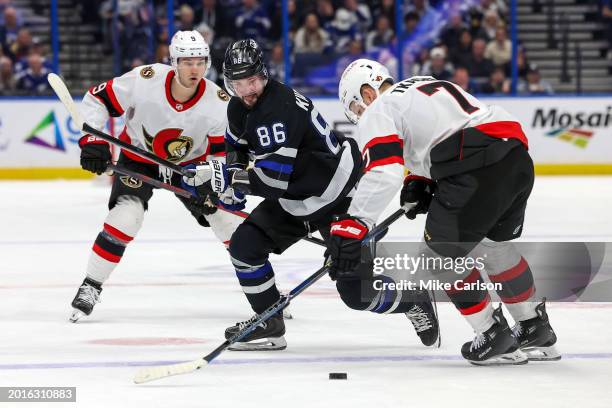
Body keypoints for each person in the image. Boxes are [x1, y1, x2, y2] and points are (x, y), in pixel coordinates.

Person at [185, 39, 439, 351]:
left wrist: (225, 179)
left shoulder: (279, 108)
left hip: (341, 195)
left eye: (252, 81)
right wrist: (230, 186)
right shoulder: (239, 107)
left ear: (263, 75)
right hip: (297, 197)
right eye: (238, 83)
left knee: (356, 292)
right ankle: (269, 322)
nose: (247, 90)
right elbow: (236, 146)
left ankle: (414, 300)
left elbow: (271, 180)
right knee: (244, 247)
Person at [331, 59, 560, 365]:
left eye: (358, 109)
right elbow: (444, 129)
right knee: (494, 248)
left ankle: (492, 334)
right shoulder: (421, 84)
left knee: (437, 258)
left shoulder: (379, 109)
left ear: (367, 94)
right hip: (514, 158)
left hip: (476, 167)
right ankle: (534, 326)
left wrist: (355, 223)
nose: (362, 116)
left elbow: (383, 171)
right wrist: (420, 179)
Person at [69, 30, 243, 322]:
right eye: (187, 62)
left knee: (228, 223)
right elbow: (96, 99)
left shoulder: (218, 101)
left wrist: (213, 187)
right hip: (139, 160)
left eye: (200, 61)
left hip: (191, 168)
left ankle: (267, 293)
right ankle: (91, 284)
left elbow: (218, 156)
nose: (195, 69)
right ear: (174, 62)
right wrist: (93, 143)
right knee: (126, 217)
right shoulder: (145, 80)